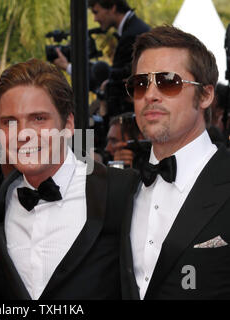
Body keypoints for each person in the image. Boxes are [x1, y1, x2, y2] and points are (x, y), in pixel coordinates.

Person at [0, 58, 136, 299]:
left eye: (39, 119)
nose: (23, 134)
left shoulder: (122, 192)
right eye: (10, 122)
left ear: (68, 124)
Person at [120, 25, 230, 299]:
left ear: (205, 95)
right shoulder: (119, 192)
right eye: (141, 83)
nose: (151, 95)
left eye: (169, 82)